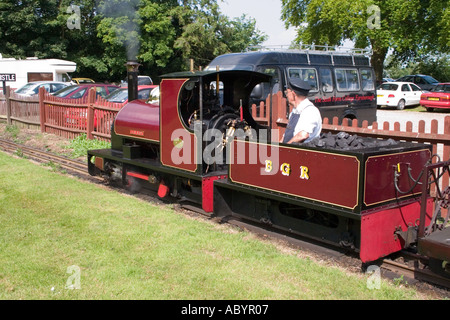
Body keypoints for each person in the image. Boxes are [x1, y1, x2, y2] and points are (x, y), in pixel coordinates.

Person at [281, 78, 322, 144]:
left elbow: (302, 135)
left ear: (293, 94)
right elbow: (287, 135)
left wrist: (286, 147)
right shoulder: (295, 111)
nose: (287, 96)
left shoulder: (310, 111)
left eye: (287, 92)